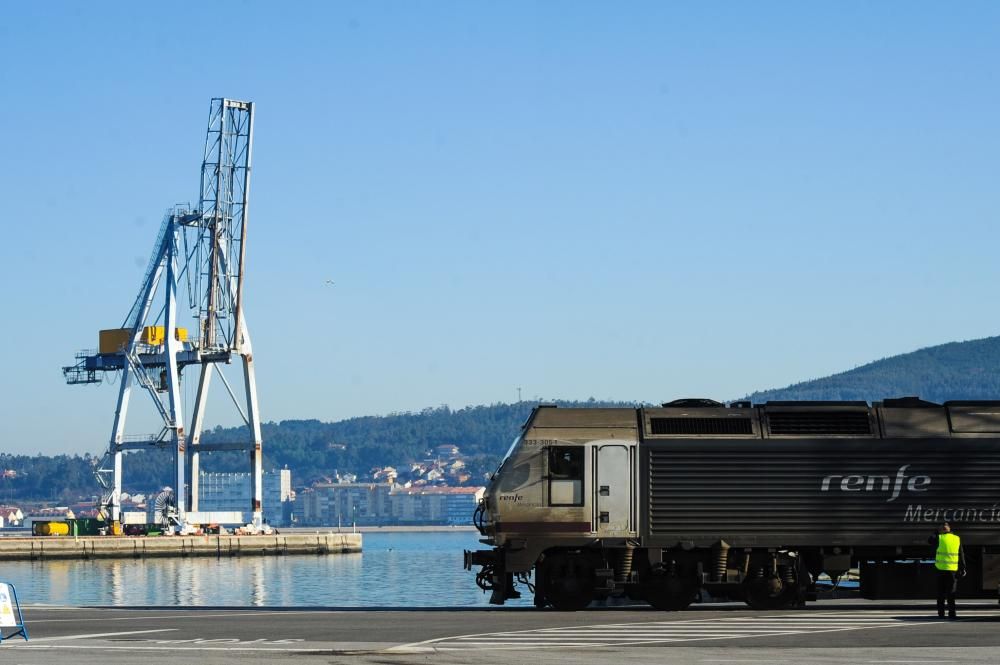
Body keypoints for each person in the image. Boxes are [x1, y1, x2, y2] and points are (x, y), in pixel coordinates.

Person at [929, 522, 966, 619]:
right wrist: (963, 568)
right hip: (952, 570)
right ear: (950, 529)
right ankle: (952, 614)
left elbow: (930, 540)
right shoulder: (957, 538)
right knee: (951, 593)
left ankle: (941, 614)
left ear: (941, 530)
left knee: (940, 593)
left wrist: (936, 532)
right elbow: (961, 554)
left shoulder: (939, 538)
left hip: (940, 569)